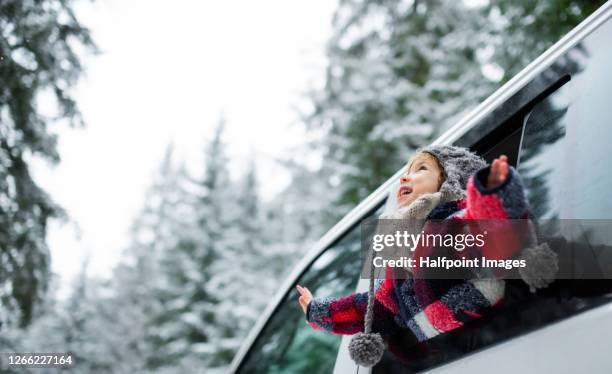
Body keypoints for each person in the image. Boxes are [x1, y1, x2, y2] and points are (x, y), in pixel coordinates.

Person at [295, 145, 557, 367]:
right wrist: (320, 311)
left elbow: (492, 244)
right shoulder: (399, 253)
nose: (405, 178)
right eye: (406, 173)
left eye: (421, 169)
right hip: (446, 360)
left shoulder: (451, 226)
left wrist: (489, 199)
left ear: (450, 180)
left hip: (496, 344)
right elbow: (375, 308)